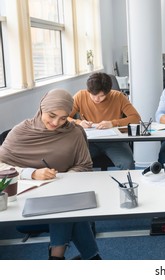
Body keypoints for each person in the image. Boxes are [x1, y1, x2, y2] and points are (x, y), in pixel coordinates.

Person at [0, 89, 101, 260]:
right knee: (68, 210)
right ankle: (90, 258)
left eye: (63, 118)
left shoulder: (74, 133)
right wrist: (32, 173)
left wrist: (64, 178)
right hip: (28, 202)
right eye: (51, 115)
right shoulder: (21, 131)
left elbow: (84, 166)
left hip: (64, 196)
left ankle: (57, 258)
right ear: (41, 108)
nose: (56, 123)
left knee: (63, 203)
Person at [69, 72, 141, 170]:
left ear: (108, 92)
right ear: (88, 90)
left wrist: (113, 123)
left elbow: (136, 118)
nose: (96, 99)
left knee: (127, 163)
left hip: (114, 142)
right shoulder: (80, 96)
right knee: (72, 160)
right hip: (89, 142)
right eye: (93, 95)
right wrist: (79, 122)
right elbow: (64, 117)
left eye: (101, 96)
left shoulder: (118, 96)